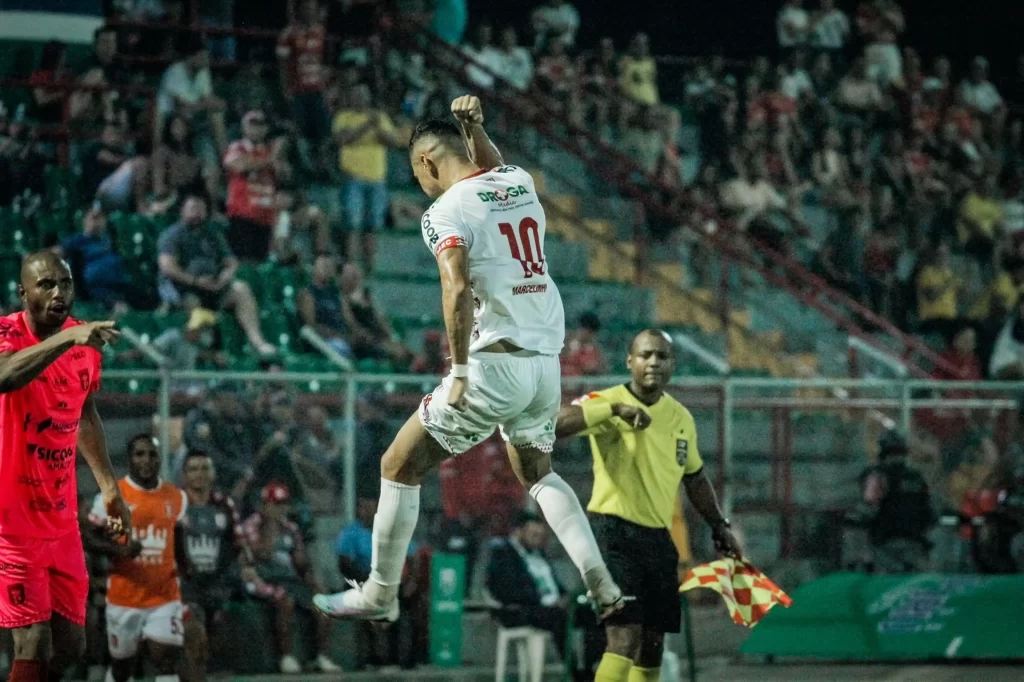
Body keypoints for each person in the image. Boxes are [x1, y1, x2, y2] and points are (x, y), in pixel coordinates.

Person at [313, 95, 625, 623]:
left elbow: (456, 288)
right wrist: (475, 126)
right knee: (539, 475)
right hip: (543, 366)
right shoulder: (519, 182)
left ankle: (379, 593)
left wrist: (457, 372)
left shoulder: (445, 211)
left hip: (493, 365)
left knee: (397, 465)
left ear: (427, 163)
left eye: (417, 175)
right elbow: (492, 163)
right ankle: (601, 581)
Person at [554, 329, 742, 682]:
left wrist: (720, 525)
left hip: (658, 538)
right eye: (645, 355)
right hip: (613, 534)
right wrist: (613, 410)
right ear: (630, 362)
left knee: (653, 645)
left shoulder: (681, 417)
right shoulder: (607, 400)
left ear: (672, 364)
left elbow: (696, 478)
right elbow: (554, 424)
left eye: (661, 356)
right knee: (623, 636)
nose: (653, 361)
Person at [0, 251, 130, 682]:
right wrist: (65, 341)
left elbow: (85, 411)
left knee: (72, 645)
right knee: (32, 639)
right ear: (23, 294)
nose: (59, 293)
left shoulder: (84, 344)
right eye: (46, 285)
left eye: (66, 284)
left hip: (61, 520)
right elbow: (6, 376)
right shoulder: (6, 334)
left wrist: (110, 488)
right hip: (10, 523)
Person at [86, 435, 187, 682]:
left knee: (165, 658)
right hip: (125, 596)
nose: (146, 460)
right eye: (140, 454)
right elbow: (88, 538)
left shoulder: (175, 497)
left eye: (152, 454)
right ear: (129, 459)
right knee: (123, 667)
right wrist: (120, 550)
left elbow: (179, 539)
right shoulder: (114, 495)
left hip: (164, 595)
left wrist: (186, 569)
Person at [176, 450, 259, 682]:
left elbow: (239, 542)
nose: (199, 474)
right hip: (184, 587)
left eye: (205, 468)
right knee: (195, 636)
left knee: (217, 645)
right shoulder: (174, 504)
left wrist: (248, 565)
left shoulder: (224, 504)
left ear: (213, 473)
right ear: (184, 475)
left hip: (218, 585)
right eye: (193, 469)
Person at [242, 483, 340, 674]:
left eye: (282, 504)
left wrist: (314, 581)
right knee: (284, 599)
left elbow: (301, 564)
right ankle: (285, 657)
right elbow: (262, 554)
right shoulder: (251, 525)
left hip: (290, 580)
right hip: (262, 579)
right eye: (274, 504)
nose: (279, 509)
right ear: (263, 505)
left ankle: (321, 656)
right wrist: (270, 527)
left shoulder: (291, 528)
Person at [843, 430, 935, 573]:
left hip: (887, 543)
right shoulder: (915, 477)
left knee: (887, 586)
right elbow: (930, 510)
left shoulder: (879, 476)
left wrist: (850, 520)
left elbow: (868, 507)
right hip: (915, 543)